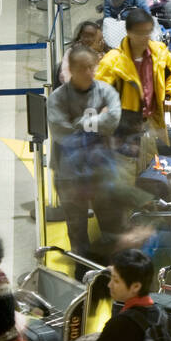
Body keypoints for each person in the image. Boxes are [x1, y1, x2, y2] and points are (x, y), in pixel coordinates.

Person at [47, 47, 124, 268]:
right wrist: (97, 119)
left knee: (111, 229)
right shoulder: (57, 98)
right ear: (71, 69)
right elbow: (64, 134)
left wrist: (79, 123)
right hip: (69, 176)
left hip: (103, 171)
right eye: (82, 68)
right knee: (77, 232)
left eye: (92, 67)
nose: (89, 72)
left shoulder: (106, 91)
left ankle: (112, 277)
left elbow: (114, 120)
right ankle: (82, 280)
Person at [95, 6, 171, 157]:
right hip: (123, 128)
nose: (144, 37)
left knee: (150, 165)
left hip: (153, 121)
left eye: (148, 32)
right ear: (128, 32)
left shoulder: (160, 53)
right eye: (140, 33)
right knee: (126, 168)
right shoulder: (112, 61)